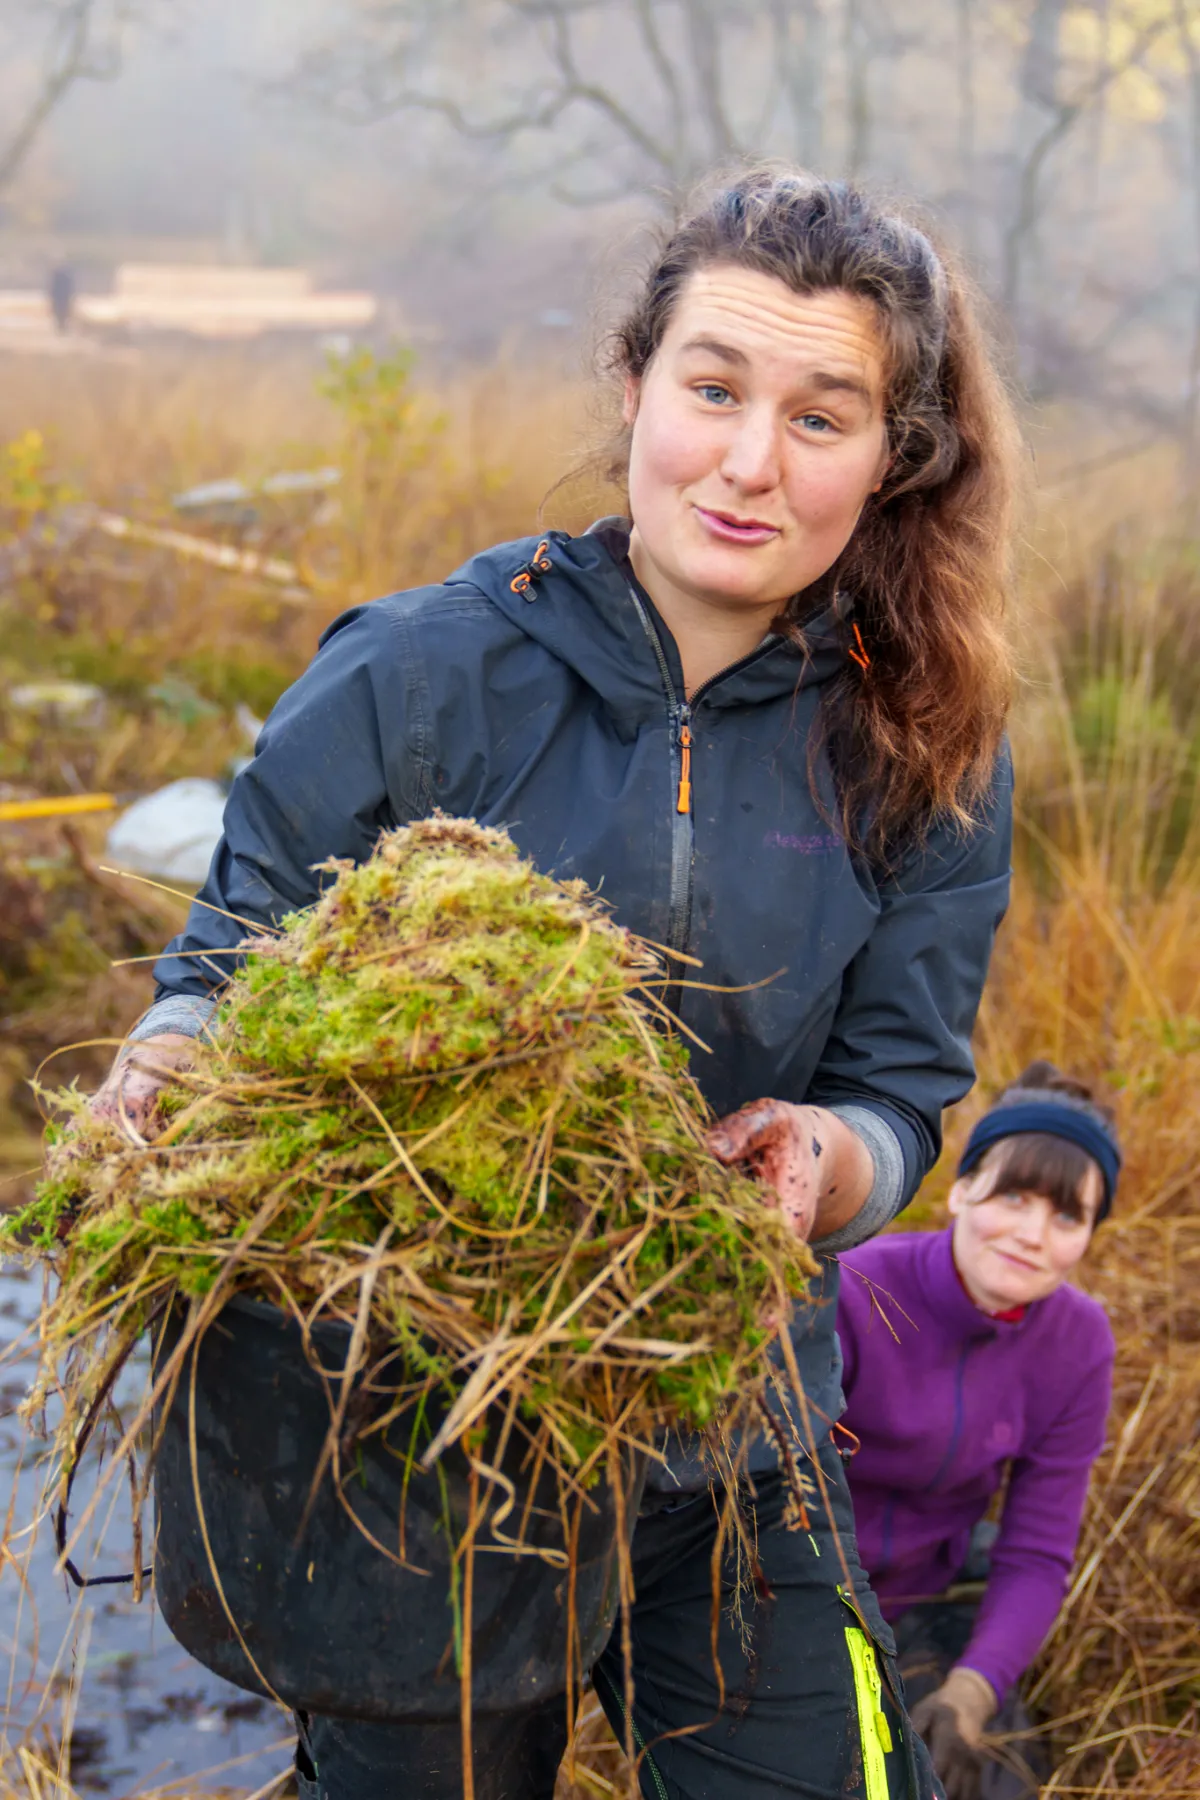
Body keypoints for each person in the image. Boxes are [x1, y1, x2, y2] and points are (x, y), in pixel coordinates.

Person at [91, 168, 1021, 1800]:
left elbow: (902, 1090)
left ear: (894, 457)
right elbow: (232, 957)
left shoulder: (923, 741)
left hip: (735, 1418)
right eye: (713, 389)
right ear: (633, 382)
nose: (750, 461)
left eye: (820, 417)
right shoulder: (419, 669)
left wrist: (824, 1157)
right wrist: (175, 1056)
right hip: (415, 1427)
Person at [837, 1063, 1120, 1800]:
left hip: (928, 1593)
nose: (1032, 1235)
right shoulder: (858, 1288)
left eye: (1068, 1217)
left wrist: (971, 1691)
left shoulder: (1079, 1342)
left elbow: (1036, 1551)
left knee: (995, 1776)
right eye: (1013, 1196)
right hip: (807, 1594)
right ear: (962, 1189)